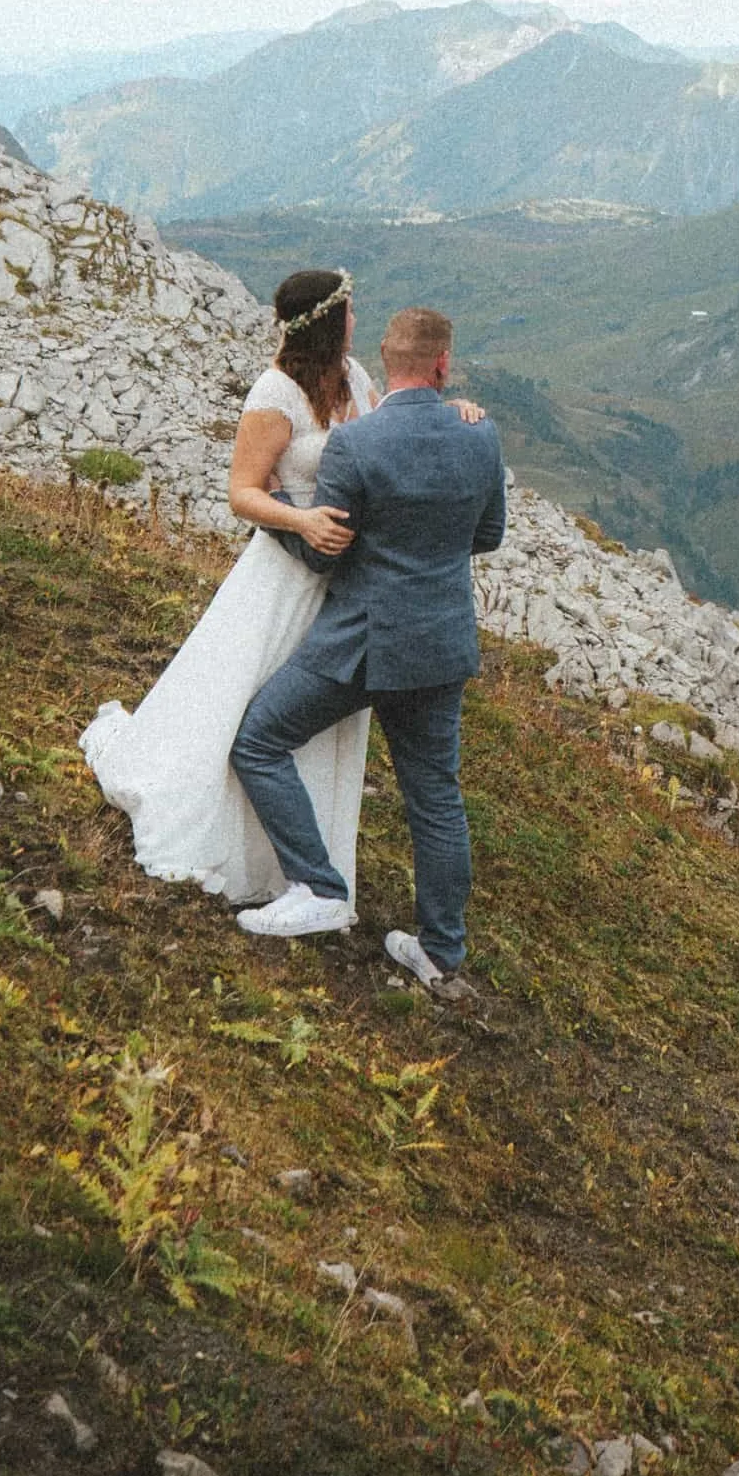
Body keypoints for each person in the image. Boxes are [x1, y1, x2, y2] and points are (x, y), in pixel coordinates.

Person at [77, 267, 377, 909]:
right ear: (329, 321)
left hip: (343, 579)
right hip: (285, 575)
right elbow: (242, 491)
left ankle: (298, 849)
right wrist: (302, 519)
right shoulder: (276, 394)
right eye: (350, 311)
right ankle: (234, 836)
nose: (357, 320)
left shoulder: (357, 382)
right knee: (245, 701)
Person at [230, 304, 507, 995]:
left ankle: (318, 887)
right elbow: (489, 535)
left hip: (360, 644)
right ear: (444, 365)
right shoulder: (482, 435)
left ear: (386, 361)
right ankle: (441, 952)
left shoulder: (357, 445)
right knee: (435, 801)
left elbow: (328, 550)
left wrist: (277, 511)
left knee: (260, 740)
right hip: (440, 645)